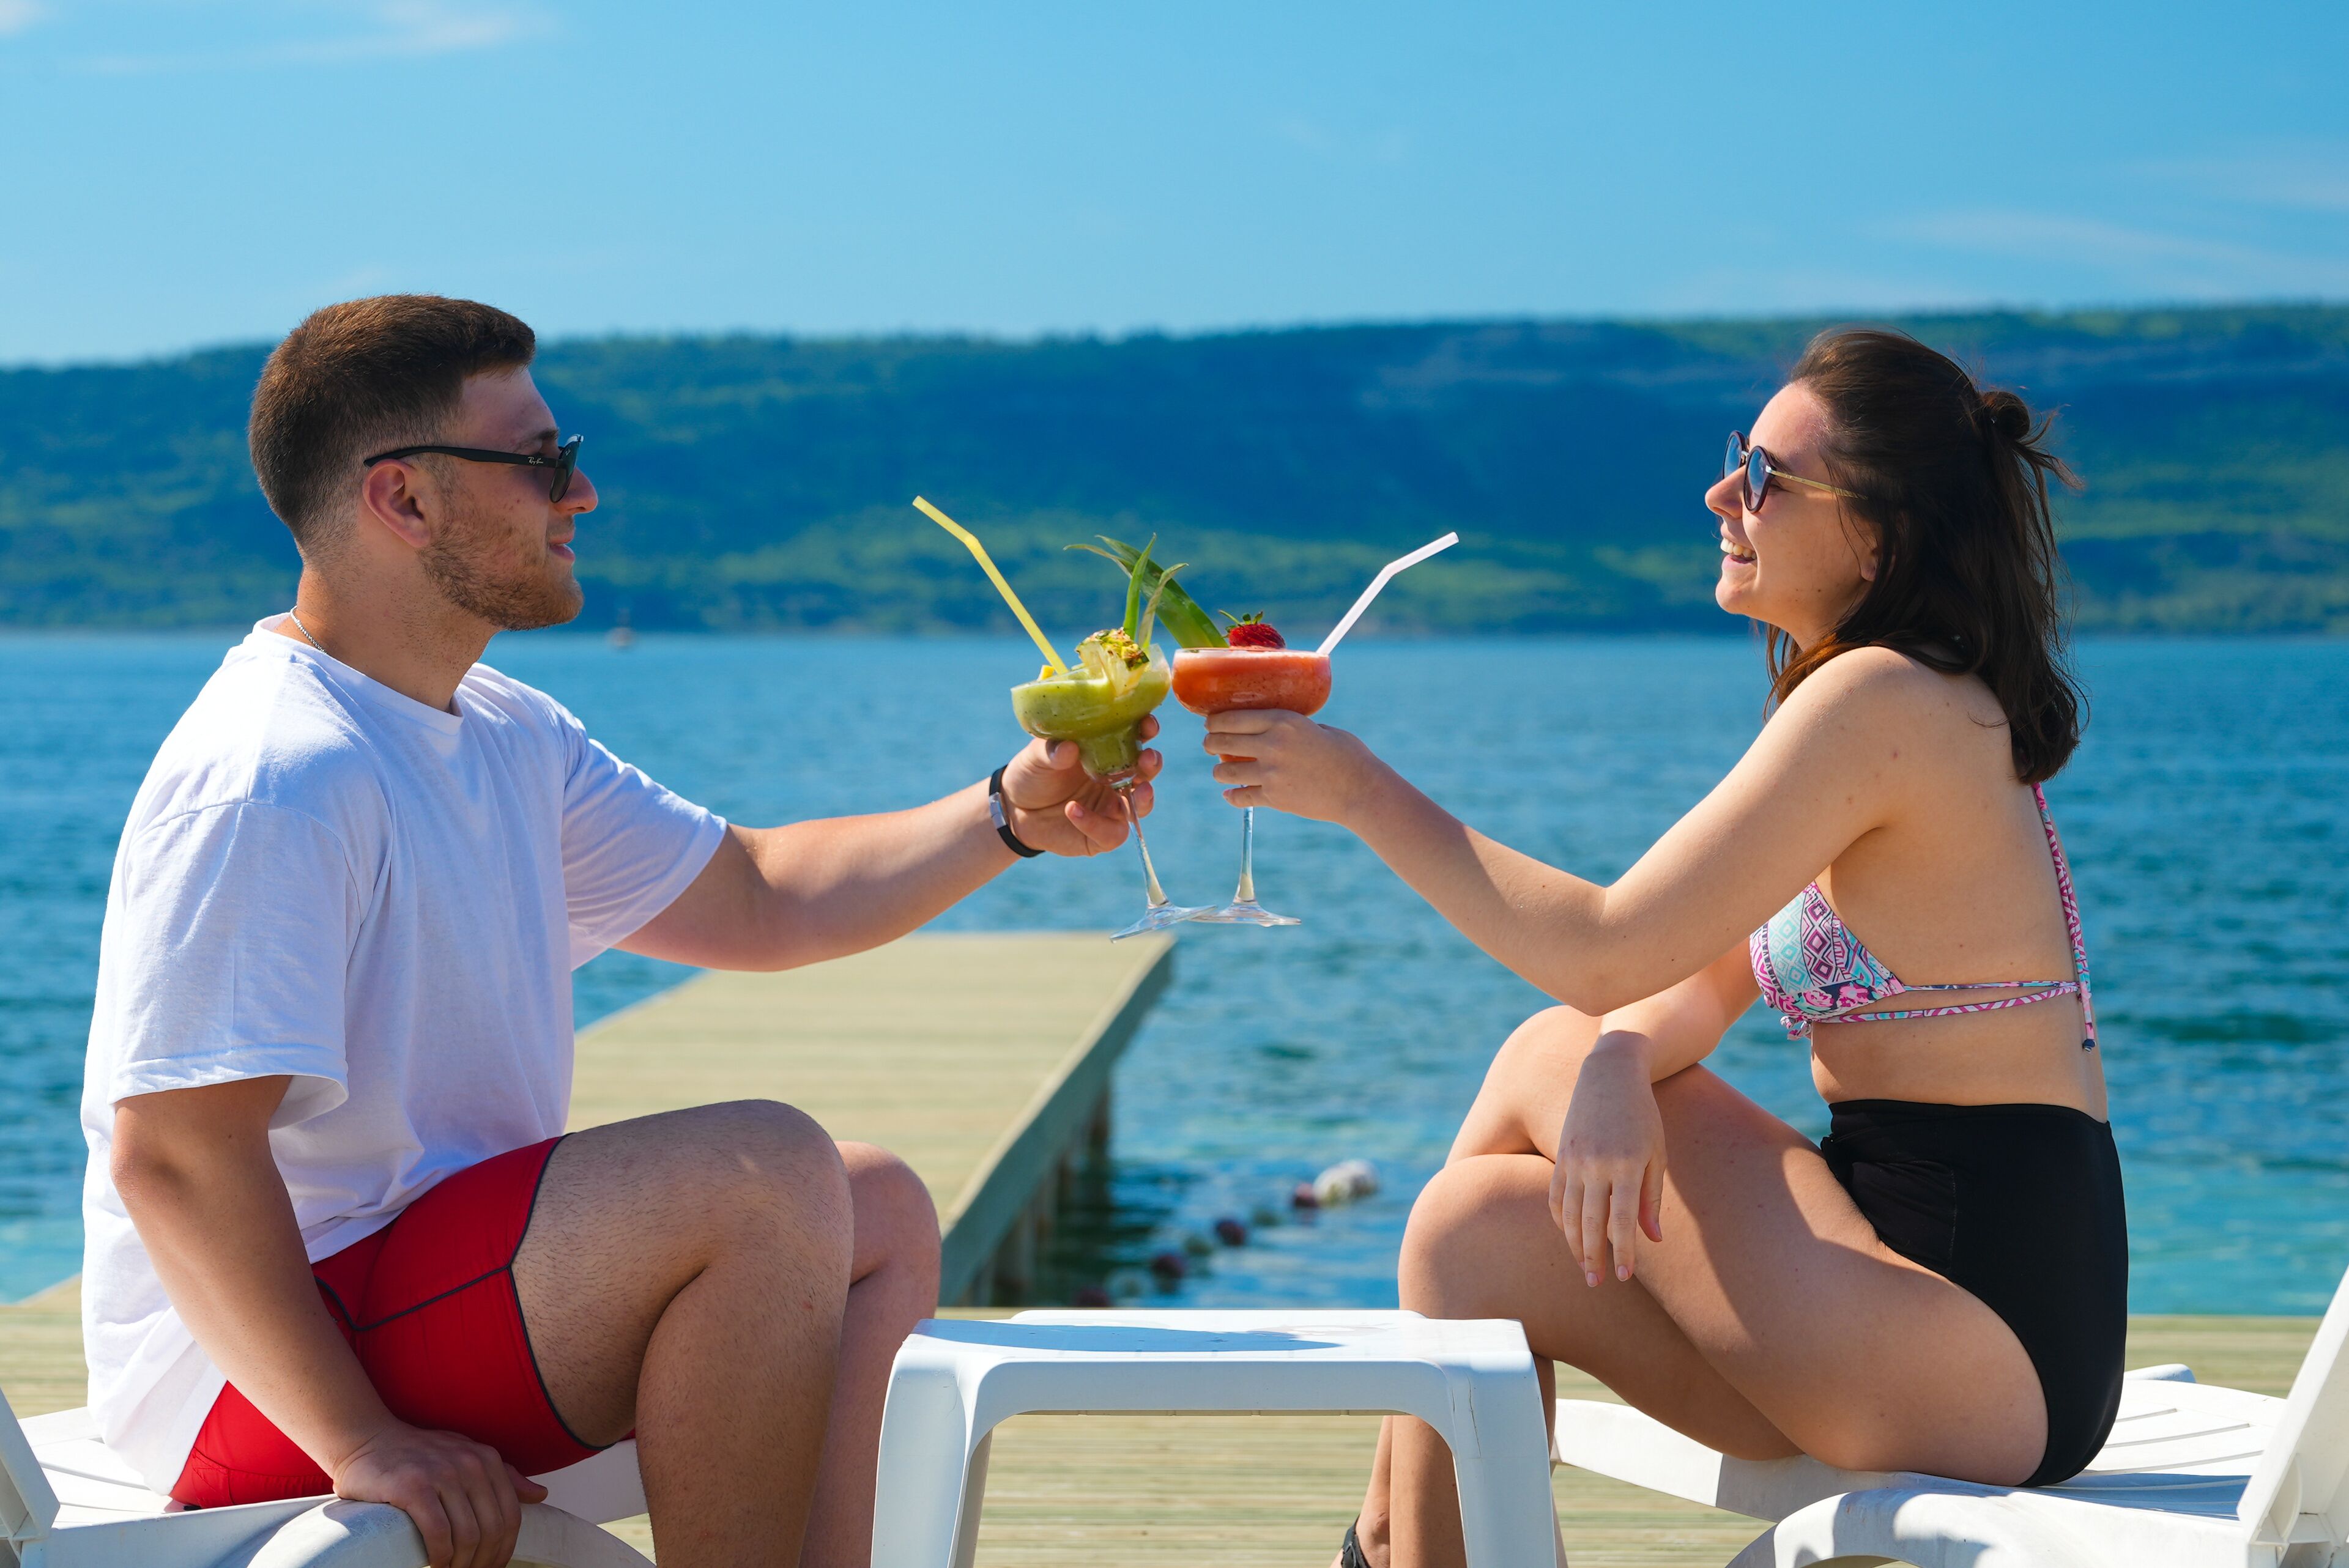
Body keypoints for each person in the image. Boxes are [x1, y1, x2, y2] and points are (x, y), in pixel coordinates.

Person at [82, 294, 1157, 1568]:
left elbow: (760, 892)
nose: (579, 496)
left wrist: (1008, 816)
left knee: (872, 1209)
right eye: (543, 461)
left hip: (410, 1286)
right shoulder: (279, 768)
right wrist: (363, 1441)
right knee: (758, 1175)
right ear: (403, 502)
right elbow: (178, 1155)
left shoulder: (503, 730)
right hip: (251, 1374)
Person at [1202, 328, 2126, 1568]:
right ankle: (1383, 1547)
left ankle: (1370, 1550)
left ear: (1876, 536)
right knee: (1464, 1234)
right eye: (1732, 461)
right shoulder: (1866, 700)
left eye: (1763, 475)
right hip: (1874, 1294)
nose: (1720, 494)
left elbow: (1601, 952)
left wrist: (1364, 791)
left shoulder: (1886, 703)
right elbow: (1690, 979)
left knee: (1549, 1040)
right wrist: (1621, 1062)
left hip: (1984, 1329)